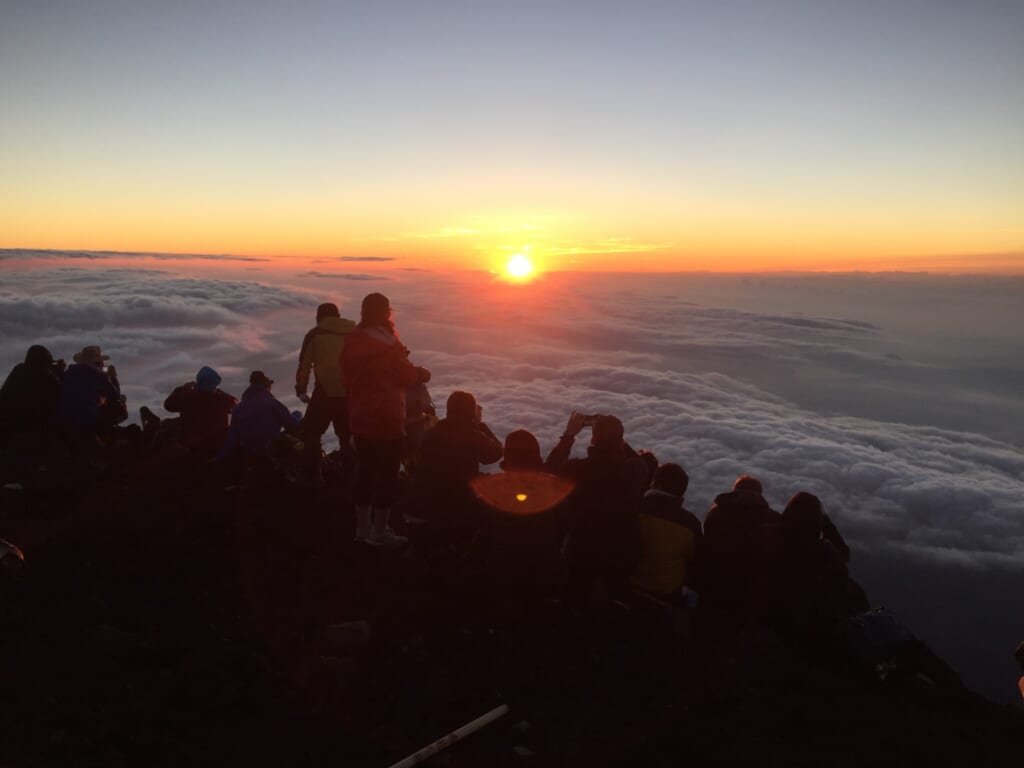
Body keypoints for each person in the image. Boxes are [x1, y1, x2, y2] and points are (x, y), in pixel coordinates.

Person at [341, 293, 429, 547]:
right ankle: (380, 531)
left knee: (365, 472)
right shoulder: (387, 344)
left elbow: (347, 376)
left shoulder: (353, 340)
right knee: (387, 475)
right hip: (387, 416)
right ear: (385, 312)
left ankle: (362, 529)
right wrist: (419, 371)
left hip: (360, 414)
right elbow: (406, 375)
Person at [545, 411, 647, 610]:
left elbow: (549, 471)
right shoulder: (632, 472)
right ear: (621, 440)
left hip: (581, 549)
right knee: (614, 603)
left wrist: (569, 435)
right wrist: (617, 438)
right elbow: (646, 466)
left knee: (576, 600)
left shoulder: (576, 470)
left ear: (593, 439)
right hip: (621, 551)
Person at [405, 390, 503, 543]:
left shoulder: (431, 433)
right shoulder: (474, 436)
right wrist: (480, 425)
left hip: (426, 498)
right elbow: (496, 453)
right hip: (458, 501)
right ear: (471, 412)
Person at [700, 474, 781, 625]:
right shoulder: (775, 521)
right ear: (759, 494)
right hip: (752, 598)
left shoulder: (715, 514)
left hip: (714, 590)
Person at [295, 302, 357, 478]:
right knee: (347, 437)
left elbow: (304, 365)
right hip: (350, 394)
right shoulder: (354, 333)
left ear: (318, 317)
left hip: (324, 393)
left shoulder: (315, 334)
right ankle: (350, 477)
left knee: (311, 434)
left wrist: (301, 391)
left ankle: (311, 476)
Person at [630, 463, 703, 601]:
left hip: (628, 583)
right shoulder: (690, 524)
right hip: (666, 593)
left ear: (657, 485)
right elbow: (695, 560)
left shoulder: (633, 508)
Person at [163, 366, 237, 460]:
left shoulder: (186, 397)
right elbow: (235, 403)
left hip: (191, 447)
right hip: (216, 447)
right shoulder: (222, 399)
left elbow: (168, 405)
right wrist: (218, 390)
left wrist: (182, 388)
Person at [218, 371, 295, 460]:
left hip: (248, 458)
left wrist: (220, 458)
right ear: (266, 386)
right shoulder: (273, 404)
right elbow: (292, 425)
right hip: (272, 456)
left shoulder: (238, 408)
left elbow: (232, 439)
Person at [56, 345, 125, 440]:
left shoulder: (68, 372)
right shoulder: (99, 375)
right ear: (99, 362)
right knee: (118, 407)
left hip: (64, 421)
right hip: (87, 422)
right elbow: (115, 395)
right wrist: (113, 377)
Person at [0, 345, 65, 444]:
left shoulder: (18, 371)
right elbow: (61, 400)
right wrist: (60, 374)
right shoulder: (48, 380)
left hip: (6, 434)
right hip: (34, 438)